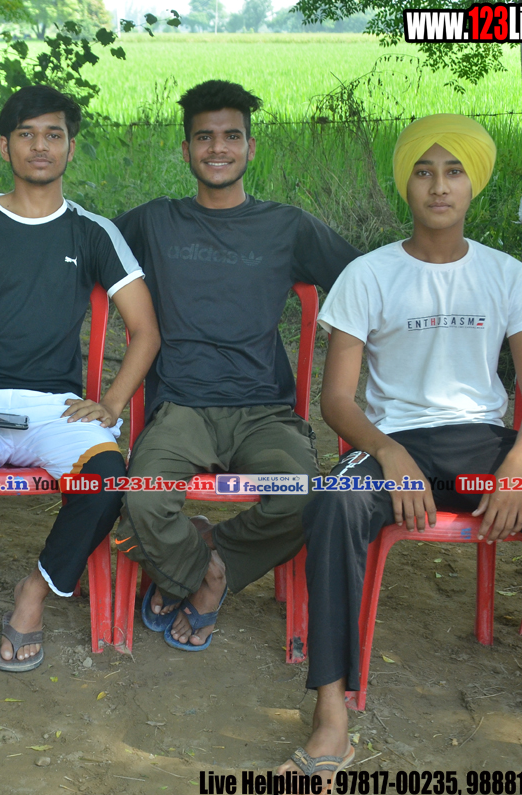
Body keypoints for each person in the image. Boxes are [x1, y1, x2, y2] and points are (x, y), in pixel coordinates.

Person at [282, 114, 522, 781]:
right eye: (424, 171)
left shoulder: (506, 275)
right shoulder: (368, 274)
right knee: (336, 503)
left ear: (473, 184)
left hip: (486, 450)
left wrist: (518, 467)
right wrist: (388, 452)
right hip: (394, 448)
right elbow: (337, 400)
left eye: (454, 171)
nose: (439, 186)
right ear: (406, 183)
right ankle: (331, 716)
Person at [0, 85, 161, 740]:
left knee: (107, 481)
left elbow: (145, 330)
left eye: (53, 134)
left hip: (55, 408)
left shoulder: (92, 230)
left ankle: (34, 593)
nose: (40, 146)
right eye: (26, 134)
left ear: (70, 146)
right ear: (4, 146)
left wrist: (110, 402)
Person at [112, 80, 361, 652]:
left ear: (250, 146)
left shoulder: (287, 225)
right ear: (186, 150)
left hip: (263, 410)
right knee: (142, 498)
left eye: (231, 136)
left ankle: (203, 557)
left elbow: (367, 280)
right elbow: (79, 248)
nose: (218, 148)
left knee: (307, 494)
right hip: (181, 408)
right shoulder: (155, 222)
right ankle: (207, 576)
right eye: (204, 137)